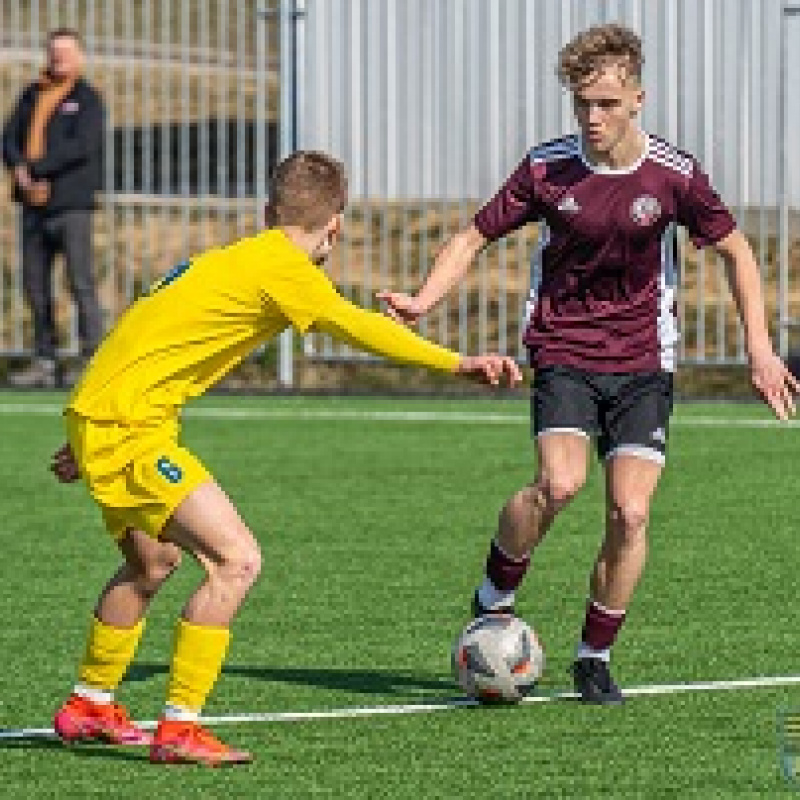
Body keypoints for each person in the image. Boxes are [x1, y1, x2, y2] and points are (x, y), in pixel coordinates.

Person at [48, 151, 520, 765]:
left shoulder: (232, 258)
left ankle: (90, 704)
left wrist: (87, 423)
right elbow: (359, 327)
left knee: (152, 562)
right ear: (336, 226)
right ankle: (180, 727)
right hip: (130, 426)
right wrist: (460, 364)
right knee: (236, 561)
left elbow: (144, 324)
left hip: (109, 416)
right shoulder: (284, 270)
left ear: (268, 211)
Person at [378, 24, 799, 704]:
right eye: (582, 104)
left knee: (630, 514)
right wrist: (423, 300)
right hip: (566, 349)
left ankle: (593, 657)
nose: (592, 117)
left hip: (643, 359)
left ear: (637, 98)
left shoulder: (674, 174)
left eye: (606, 103)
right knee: (560, 485)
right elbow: (472, 235)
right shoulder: (547, 168)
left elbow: (737, 251)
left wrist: (758, 347)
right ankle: (495, 592)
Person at [2, 28, 104, 388]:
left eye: (65, 51)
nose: (58, 57)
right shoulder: (32, 95)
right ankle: (45, 360)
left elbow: (83, 147)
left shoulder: (87, 99)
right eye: (53, 51)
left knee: (80, 283)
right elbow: (9, 138)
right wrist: (20, 172)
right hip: (32, 208)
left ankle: (93, 360)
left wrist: (39, 170)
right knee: (35, 286)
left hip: (71, 206)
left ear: (79, 56)